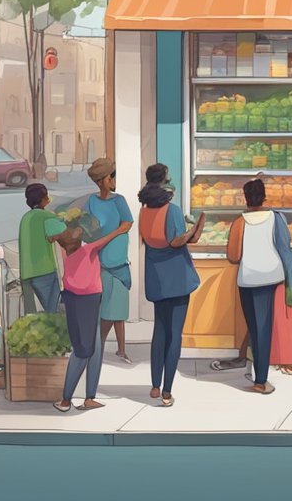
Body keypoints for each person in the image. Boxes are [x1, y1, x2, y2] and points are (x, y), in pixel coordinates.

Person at [138, 163, 203, 407]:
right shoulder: (172, 210)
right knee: (175, 334)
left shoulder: (144, 211)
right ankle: (167, 392)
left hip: (155, 277)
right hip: (177, 276)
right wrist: (192, 229)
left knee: (159, 331)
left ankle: (154, 385)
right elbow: (177, 241)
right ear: (164, 182)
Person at [227, 178, 292, 394]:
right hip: (271, 277)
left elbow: (232, 256)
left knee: (254, 327)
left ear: (245, 198)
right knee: (264, 329)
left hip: (247, 278)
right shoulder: (276, 218)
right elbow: (286, 247)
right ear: (265, 196)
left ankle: (259, 376)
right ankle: (260, 378)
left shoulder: (239, 222)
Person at [53, 210, 117, 413]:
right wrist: (122, 228)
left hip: (75, 297)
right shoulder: (88, 248)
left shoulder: (65, 246)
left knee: (95, 346)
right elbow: (107, 237)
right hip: (87, 299)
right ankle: (65, 400)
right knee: (83, 350)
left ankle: (90, 397)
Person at [85, 159, 135, 364]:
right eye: (110, 177)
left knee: (119, 309)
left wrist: (108, 236)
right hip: (102, 262)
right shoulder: (92, 201)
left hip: (119, 261)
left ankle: (121, 349)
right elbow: (88, 227)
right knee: (106, 309)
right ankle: (99, 346)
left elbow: (127, 224)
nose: (113, 180)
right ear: (101, 181)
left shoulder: (119, 200)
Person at [18, 183, 66, 314]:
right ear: (43, 199)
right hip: (45, 270)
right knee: (53, 310)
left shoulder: (25, 218)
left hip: (27, 273)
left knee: (32, 313)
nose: (48, 199)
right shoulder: (46, 216)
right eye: (46, 196)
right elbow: (63, 233)